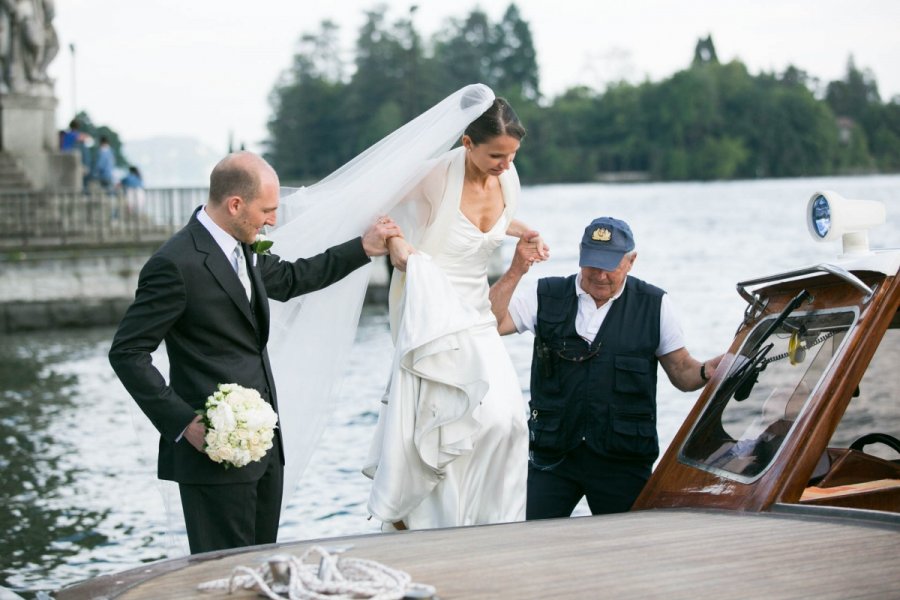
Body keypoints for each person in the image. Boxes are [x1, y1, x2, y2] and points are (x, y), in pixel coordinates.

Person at [108, 151, 400, 554]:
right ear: (235, 205)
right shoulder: (174, 264)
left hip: (264, 451)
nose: (272, 220)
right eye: (267, 210)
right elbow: (127, 352)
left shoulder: (243, 246)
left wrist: (362, 249)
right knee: (224, 579)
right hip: (211, 453)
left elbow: (292, 278)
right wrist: (185, 424)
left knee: (261, 569)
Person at [362, 93, 549, 531]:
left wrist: (527, 232)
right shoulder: (435, 177)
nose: (506, 165)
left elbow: (496, 223)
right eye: (496, 156)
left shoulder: (507, 178)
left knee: (507, 422)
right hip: (434, 311)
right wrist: (398, 248)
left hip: (477, 313)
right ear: (467, 142)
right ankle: (439, 527)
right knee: (446, 424)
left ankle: (495, 528)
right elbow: (378, 204)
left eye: (512, 155)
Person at [490, 216, 723, 519]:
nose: (599, 275)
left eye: (610, 265)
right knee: (529, 544)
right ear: (580, 256)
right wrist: (516, 270)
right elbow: (490, 323)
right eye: (592, 264)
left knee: (629, 553)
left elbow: (681, 372)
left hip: (623, 461)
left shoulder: (655, 304)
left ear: (631, 261)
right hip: (553, 458)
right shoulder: (544, 295)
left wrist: (708, 371)